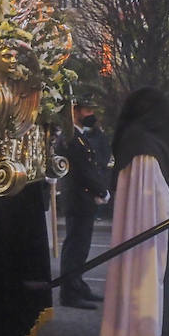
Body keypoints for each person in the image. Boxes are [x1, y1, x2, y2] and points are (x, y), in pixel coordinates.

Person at [98, 89, 169, 336]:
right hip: (150, 227)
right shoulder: (144, 144)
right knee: (151, 276)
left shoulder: (137, 139)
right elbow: (153, 193)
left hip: (146, 224)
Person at [57, 102, 110, 308]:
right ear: (75, 112)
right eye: (88, 110)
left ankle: (77, 285)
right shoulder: (71, 138)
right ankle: (69, 293)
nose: (92, 114)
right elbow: (83, 170)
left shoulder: (80, 137)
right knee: (75, 247)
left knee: (81, 248)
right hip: (78, 198)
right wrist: (102, 191)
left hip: (82, 199)